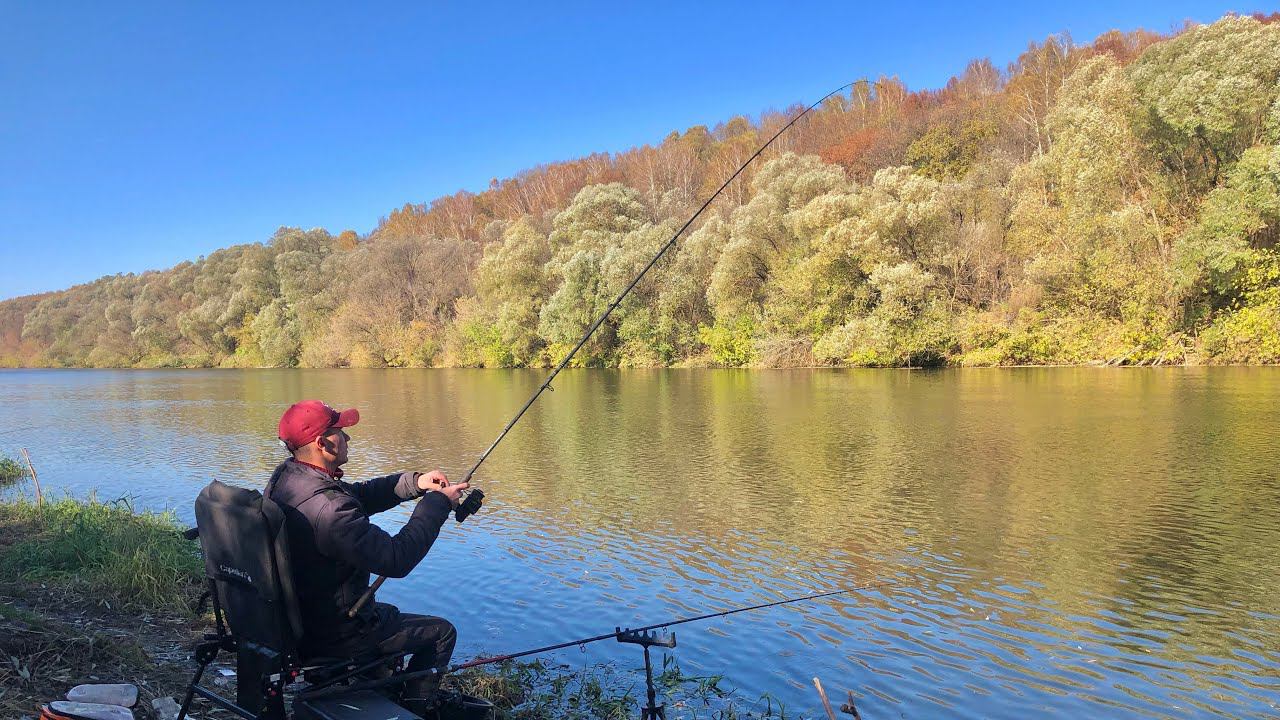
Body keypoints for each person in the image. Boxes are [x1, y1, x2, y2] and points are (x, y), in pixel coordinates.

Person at [264, 399, 469, 713]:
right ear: (321, 444)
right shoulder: (330, 510)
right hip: (337, 634)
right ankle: (415, 709)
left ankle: (373, 686)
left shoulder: (290, 478)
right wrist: (437, 505)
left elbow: (356, 496)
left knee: (388, 613)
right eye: (340, 431)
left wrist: (414, 483)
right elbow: (396, 558)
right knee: (441, 632)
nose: (347, 437)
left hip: (304, 619)